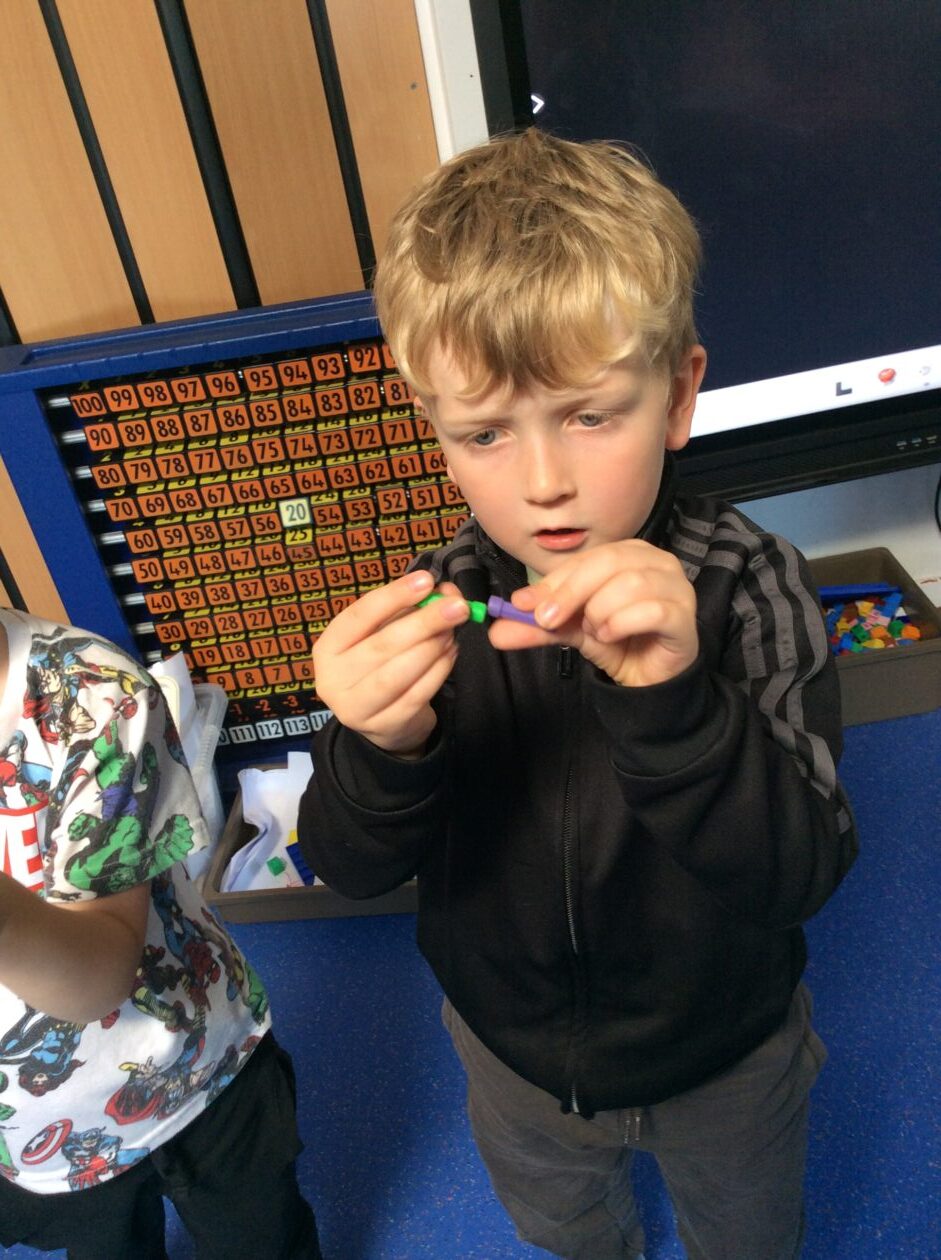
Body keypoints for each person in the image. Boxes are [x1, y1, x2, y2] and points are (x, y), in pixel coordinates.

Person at [297, 128, 857, 1259]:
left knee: (748, 1236)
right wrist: (378, 746)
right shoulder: (440, 606)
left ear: (678, 394)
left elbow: (798, 875)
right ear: (433, 428)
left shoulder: (752, 589)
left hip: (723, 1054)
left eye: (589, 415)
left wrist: (676, 701)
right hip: (510, 1056)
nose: (543, 483)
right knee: (563, 1228)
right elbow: (346, 866)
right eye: (484, 434)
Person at [0, 608, 322, 1258]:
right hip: (38, 1130)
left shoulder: (94, 690)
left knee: (261, 1237)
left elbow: (97, 977)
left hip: (194, 1063)